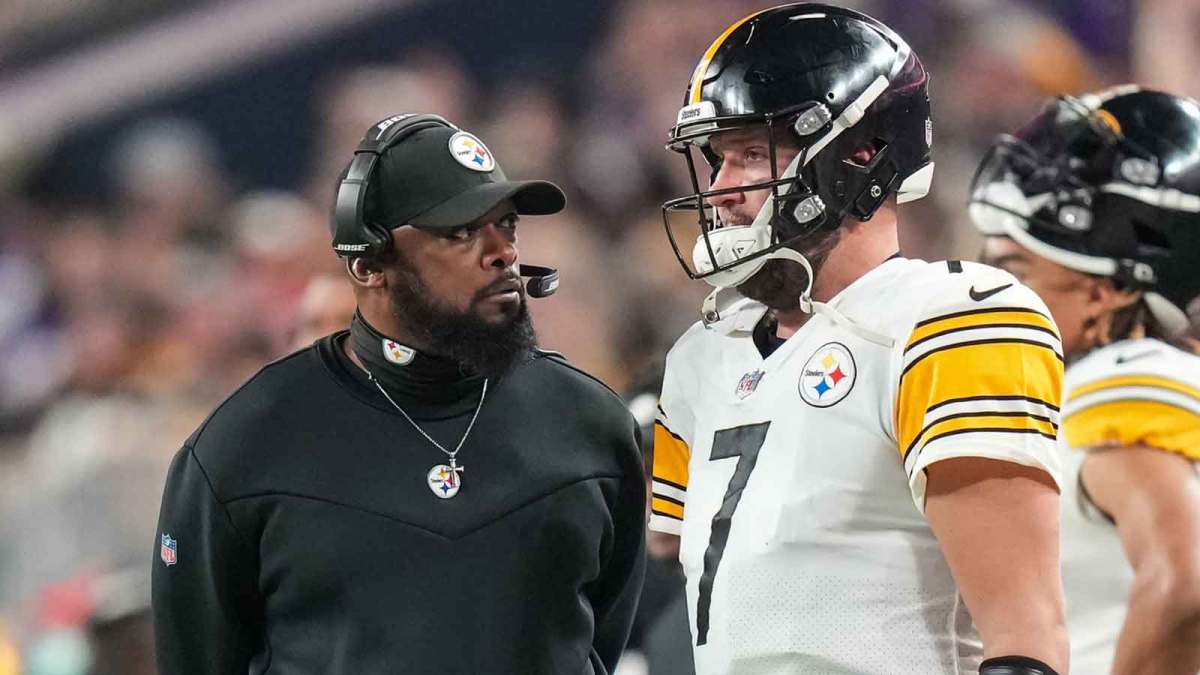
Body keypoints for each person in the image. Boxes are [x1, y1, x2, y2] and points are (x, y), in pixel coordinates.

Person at [649, 5, 1068, 674]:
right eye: (718, 160)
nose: (723, 189)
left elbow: (1026, 639)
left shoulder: (946, 321)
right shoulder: (700, 356)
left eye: (752, 153)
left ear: (860, 153)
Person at [152, 113, 646, 675]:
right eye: (461, 232)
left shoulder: (590, 422)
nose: (502, 252)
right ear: (367, 265)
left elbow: (595, 637)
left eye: (506, 224)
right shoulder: (241, 447)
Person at [970, 86, 1200, 675]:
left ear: (1108, 290)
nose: (988, 291)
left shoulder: (1124, 379)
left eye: (1013, 268)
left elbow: (1186, 587)